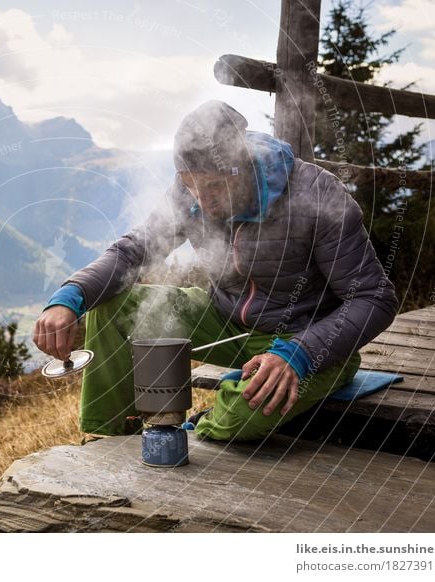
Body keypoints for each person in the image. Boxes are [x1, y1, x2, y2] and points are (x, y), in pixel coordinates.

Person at [33, 100, 399, 442]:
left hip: (304, 342)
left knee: (245, 413)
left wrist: (299, 353)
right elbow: (133, 251)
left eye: (213, 186)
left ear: (244, 166)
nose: (202, 201)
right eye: (192, 187)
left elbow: (375, 297)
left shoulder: (316, 194)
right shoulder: (190, 191)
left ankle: (196, 428)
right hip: (222, 320)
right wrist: (70, 296)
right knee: (111, 307)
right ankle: (109, 437)